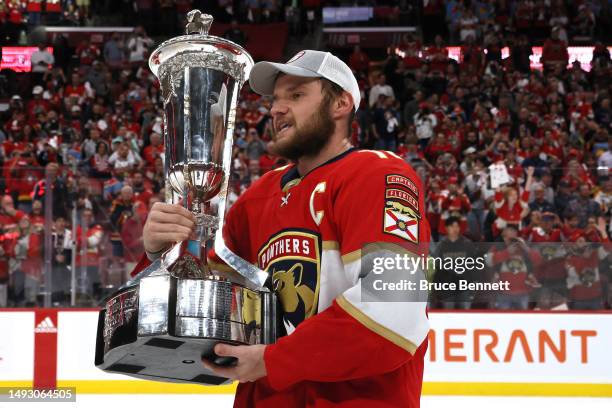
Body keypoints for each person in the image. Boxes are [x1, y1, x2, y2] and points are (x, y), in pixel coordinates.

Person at [135, 50, 431, 407]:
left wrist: (273, 361)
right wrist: (161, 251)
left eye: (296, 95)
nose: (275, 109)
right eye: (275, 99)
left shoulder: (376, 174)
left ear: (341, 103)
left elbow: (394, 312)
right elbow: (203, 304)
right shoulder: (259, 196)